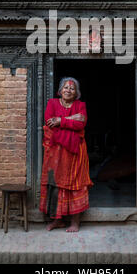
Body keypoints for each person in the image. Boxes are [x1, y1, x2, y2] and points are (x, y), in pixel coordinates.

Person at [39, 77, 93, 232]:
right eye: (65, 87)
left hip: (75, 152)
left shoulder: (80, 105)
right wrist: (71, 119)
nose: (68, 90)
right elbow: (49, 122)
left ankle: (75, 223)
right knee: (55, 184)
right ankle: (57, 221)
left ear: (77, 93)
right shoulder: (52, 103)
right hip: (55, 152)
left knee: (76, 184)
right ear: (60, 90)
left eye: (72, 88)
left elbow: (81, 122)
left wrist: (61, 121)